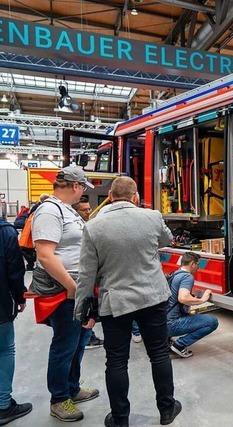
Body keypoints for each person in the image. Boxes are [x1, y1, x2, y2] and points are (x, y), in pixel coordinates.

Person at [75, 177, 180, 427]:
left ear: (110, 196)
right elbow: (167, 240)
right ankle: (167, 410)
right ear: (135, 197)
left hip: (116, 302)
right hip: (153, 297)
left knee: (117, 361)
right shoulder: (152, 216)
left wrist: (81, 309)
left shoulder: (93, 226)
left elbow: (86, 273)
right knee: (158, 354)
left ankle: (120, 419)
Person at [31, 167, 98, 422]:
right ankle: (59, 398)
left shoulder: (66, 210)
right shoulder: (49, 211)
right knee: (65, 345)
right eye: (83, 187)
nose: (83, 193)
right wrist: (71, 286)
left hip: (78, 287)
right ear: (75, 186)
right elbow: (45, 255)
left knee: (80, 341)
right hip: (65, 290)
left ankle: (72, 388)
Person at [0, 217, 32, 425]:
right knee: (4, 350)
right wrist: (20, 296)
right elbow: (14, 269)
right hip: (1, 306)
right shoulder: (5, 231)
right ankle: (3, 405)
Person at [167, 252, 217, 358]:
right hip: (171, 324)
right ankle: (179, 345)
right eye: (198, 264)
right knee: (212, 322)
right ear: (192, 264)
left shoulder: (174, 274)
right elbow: (183, 298)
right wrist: (203, 299)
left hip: (162, 322)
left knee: (188, 315)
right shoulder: (187, 277)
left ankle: (166, 340)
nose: (198, 267)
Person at [72, 195, 104, 350]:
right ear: (75, 211)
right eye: (84, 210)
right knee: (85, 304)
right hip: (81, 275)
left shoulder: (88, 226)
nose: (88, 212)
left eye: (89, 209)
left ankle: (88, 335)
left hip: (88, 274)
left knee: (89, 304)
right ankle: (87, 335)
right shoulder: (78, 229)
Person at [21, 194, 50, 271]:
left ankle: (31, 264)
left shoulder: (36, 207)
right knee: (30, 250)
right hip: (32, 233)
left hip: (29, 233)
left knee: (27, 249)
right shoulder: (41, 208)